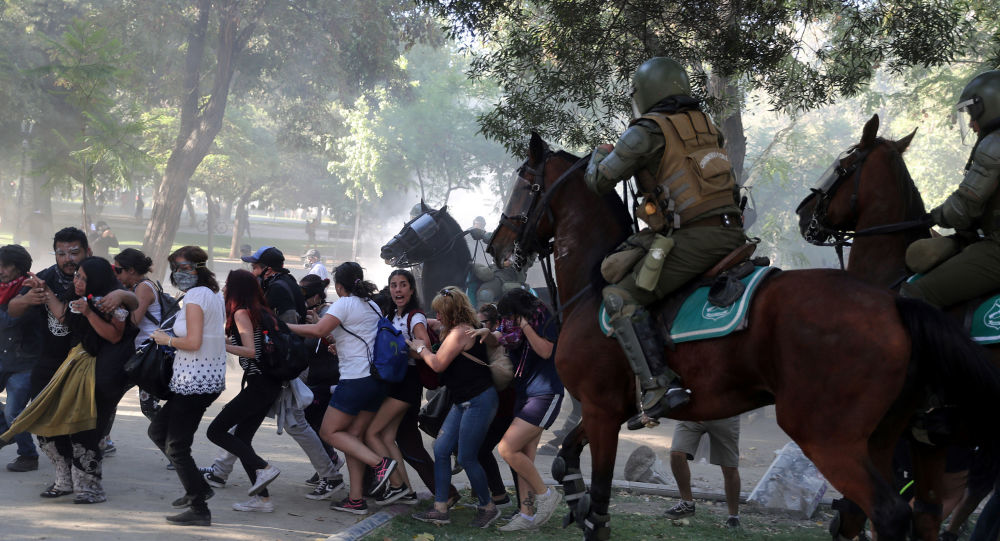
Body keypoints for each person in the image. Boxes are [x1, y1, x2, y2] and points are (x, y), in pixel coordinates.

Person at [583, 56, 746, 428]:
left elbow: (598, 182)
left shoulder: (646, 131)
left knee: (619, 296)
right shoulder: (706, 125)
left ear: (644, 92)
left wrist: (600, 153)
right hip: (733, 232)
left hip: (695, 239)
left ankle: (659, 386)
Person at [16, 256, 138, 504]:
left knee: (85, 429)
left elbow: (114, 336)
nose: (77, 281)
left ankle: (90, 488)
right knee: (49, 421)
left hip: (100, 372)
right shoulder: (78, 298)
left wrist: (89, 312)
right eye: (77, 276)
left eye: (83, 278)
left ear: (97, 280)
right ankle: (64, 481)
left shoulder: (111, 302)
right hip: (74, 365)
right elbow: (63, 316)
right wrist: (46, 290)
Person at [287, 262, 397, 515]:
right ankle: (356, 499)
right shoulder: (371, 305)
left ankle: (380, 464)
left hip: (355, 380)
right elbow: (347, 334)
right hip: (375, 381)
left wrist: (284, 326)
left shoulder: (344, 304)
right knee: (352, 438)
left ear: (338, 286)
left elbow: (318, 330)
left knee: (328, 432)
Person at [901, 70, 1000, 308]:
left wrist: (932, 217)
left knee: (913, 298)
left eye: (973, 115)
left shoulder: (995, 144)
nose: (972, 124)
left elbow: (963, 208)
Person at [408, 286, 501, 529]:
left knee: (467, 457)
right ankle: (440, 508)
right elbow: (433, 325)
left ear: (452, 313)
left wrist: (420, 348)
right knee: (440, 449)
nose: (437, 316)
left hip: (478, 401)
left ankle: (488, 507)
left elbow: (437, 364)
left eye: (441, 312)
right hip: (463, 401)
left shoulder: (459, 332)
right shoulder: (457, 328)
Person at [148, 246, 226, 526]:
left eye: (185, 268)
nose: (179, 274)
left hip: (196, 381)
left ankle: (199, 508)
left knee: (177, 445)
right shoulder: (212, 294)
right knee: (158, 431)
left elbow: (193, 342)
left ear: (199, 268)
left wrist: (166, 339)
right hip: (198, 380)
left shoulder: (196, 296)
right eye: (176, 268)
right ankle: (198, 488)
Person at [478, 288, 563, 531]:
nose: (508, 322)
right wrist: (488, 332)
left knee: (506, 448)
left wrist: (525, 325)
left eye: (511, 317)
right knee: (523, 457)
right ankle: (526, 516)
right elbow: (502, 337)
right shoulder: (511, 325)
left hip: (545, 393)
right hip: (524, 393)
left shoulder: (542, 318)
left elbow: (545, 351)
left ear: (521, 312)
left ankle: (546, 495)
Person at [206, 270, 283, 513]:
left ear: (235, 289)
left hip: (260, 384)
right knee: (242, 440)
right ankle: (263, 500)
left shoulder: (242, 313)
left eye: (227, 285)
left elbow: (251, 351)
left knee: (215, 431)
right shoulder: (261, 311)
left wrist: (219, 344)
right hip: (268, 384)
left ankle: (265, 468)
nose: (224, 289)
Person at [364, 270, 431, 506]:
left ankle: (397, 485)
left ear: (411, 289)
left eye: (403, 285)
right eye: (394, 285)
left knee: (372, 433)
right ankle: (407, 492)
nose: (398, 290)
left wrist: (400, 350)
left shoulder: (416, 317)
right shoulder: (393, 314)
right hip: (394, 382)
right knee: (387, 437)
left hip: (407, 382)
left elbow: (425, 350)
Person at [298, 273, 346, 497]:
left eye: (305, 294)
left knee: (318, 424)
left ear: (317, 296)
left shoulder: (331, 312)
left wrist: (317, 324)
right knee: (311, 421)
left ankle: (331, 465)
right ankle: (329, 461)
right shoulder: (304, 313)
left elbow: (336, 340)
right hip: (314, 378)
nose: (302, 298)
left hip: (331, 378)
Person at [0, 245, 40, 472]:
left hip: (25, 361)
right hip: (3, 356)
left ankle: (28, 455)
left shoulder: (30, 291)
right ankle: (5, 430)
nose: (1, 270)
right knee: (10, 415)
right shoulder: (3, 288)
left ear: (19, 269)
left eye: (6, 266)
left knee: (14, 412)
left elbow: (10, 321)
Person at [663, 417, 742, 529]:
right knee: (676, 453)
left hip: (725, 416)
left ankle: (733, 517)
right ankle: (687, 504)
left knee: (729, 467)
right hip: (693, 413)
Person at [112, 248, 163, 419]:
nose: (116, 274)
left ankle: (170, 433)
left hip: (147, 357)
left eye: (118, 270)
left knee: (149, 407)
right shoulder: (137, 286)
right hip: (140, 355)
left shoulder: (143, 287)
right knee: (110, 395)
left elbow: (133, 321)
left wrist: (114, 307)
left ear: (131, 270)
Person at [242, 246, 306, 324]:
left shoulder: (278, 289)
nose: (252, 273)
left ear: (268, 271)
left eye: (254, 268)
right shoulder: (288, 280)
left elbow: (258, 317)